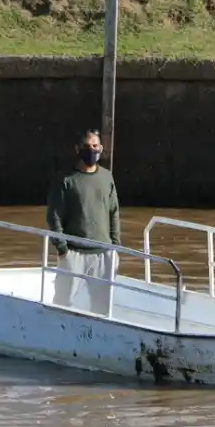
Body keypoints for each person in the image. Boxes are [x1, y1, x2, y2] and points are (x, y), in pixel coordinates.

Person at [46, 129, 122, 313]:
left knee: (103, 307)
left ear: (101, 148)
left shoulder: (106, 177)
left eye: (95, 146)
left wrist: (116, 246)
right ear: (77, 149)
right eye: (87, 146)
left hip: (103, 253)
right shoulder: (65, 179)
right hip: (73, 252)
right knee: (63, 305)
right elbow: (54, 216)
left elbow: (114, 212)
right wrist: (63, 249)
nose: (91, 150)